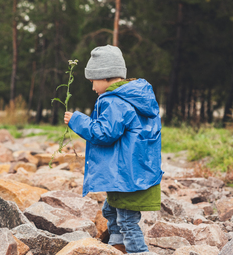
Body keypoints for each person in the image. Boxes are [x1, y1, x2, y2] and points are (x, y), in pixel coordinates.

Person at [64, 45, 163, 254]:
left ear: (106, 76)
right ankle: (117, 247)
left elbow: (104, 133)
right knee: (111, 210)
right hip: (135, 174)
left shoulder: (115, 101)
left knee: (127, 221)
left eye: (93, 82)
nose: (92, 88)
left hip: (127, 178)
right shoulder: (136, 97)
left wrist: (77, 120)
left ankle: (138, 252)